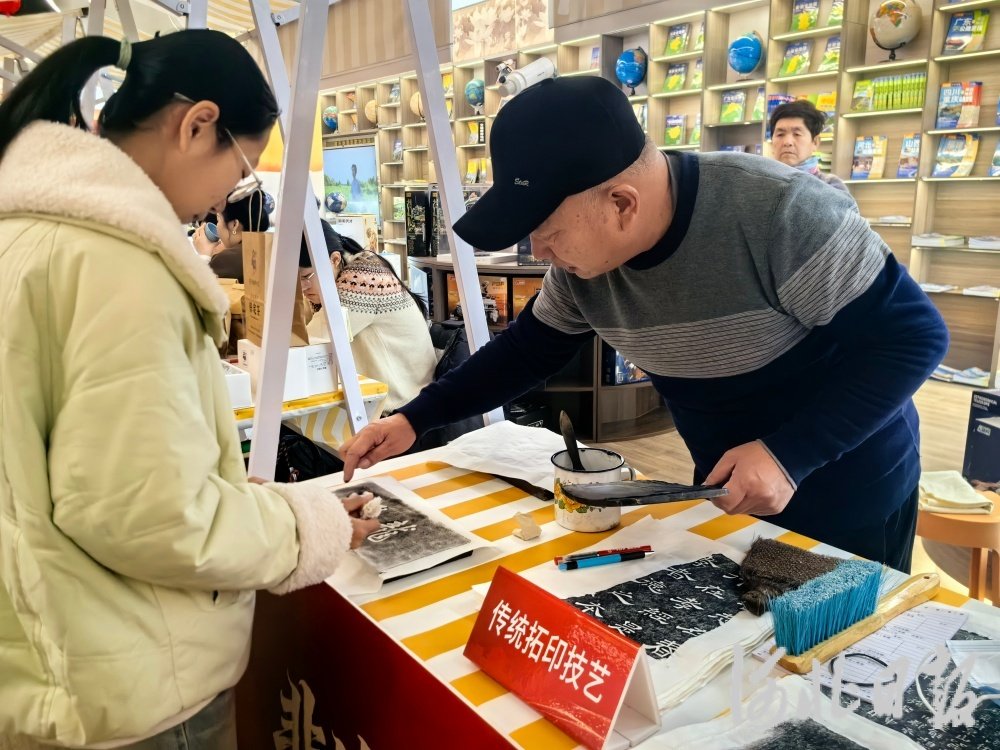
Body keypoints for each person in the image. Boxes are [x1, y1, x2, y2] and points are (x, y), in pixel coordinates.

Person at [341, 76, 950, 573]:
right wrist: (414, 418)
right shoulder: (584, 268)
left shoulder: (779, 213)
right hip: (725, 484)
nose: (541, 253)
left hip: (846, 480)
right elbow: (527, 351)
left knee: (842, 663)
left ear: (622, 204)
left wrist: (791, 454)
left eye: (548, 233)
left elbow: (913, 337)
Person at [0, 31, 378, 748]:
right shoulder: (119, 267)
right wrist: (310, 526)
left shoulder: (24, 234)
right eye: (239, 170)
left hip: (46, 665)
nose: (224, 199)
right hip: (136, 686)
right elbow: (149, 515)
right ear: (197, 125)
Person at [299, 219, 436, 414]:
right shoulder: (339, 274)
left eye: (306, 277)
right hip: (384, 397)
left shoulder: (363, 278)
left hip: (402, 405)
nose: (302, 287)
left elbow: (312, 342)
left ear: (335, 259)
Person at [768, 99, 847, 192]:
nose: (787, 142)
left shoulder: (831, 185)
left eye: (797, 134)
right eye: (780, 134)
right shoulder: (760, 183)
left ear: (815, 142)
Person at [208, 188, 269, 282]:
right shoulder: (271, 248)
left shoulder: (226, 259)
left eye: (218, 219)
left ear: (234, 225)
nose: (217, 226)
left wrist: (206, 255)